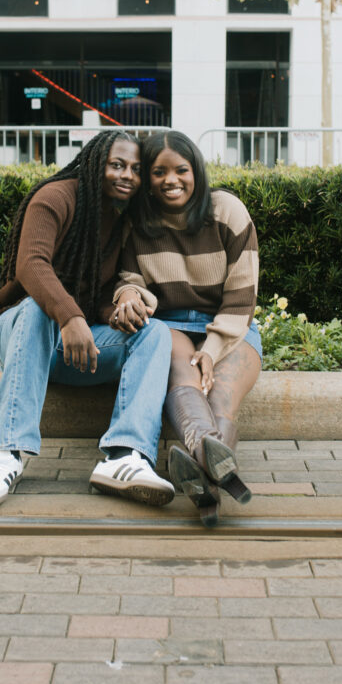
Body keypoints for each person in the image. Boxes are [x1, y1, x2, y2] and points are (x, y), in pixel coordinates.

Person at [0, 130, 175, 510]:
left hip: (72, 350)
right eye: (117, 165)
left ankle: (125, 456)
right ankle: (9, 454)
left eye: (135, 169)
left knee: (155, 332)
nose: (127, 175)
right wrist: (70, 317)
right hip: (21, 338)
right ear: (96, 163)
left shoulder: (117, 220)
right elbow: (31, 265)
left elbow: (99, 292)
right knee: (36, 308)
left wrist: (116, 313)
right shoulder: (55, 197)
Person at [111, 130, 261, 527]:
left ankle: (203, 477)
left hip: (231, 325)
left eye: (181, 170)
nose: (171, 180)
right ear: (147, 179)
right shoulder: (138, 222)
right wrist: (129, 295)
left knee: (221, 399)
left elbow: (242, 293)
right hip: (170, 324)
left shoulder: (227, 210)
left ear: (196, 171)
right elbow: (130, 280)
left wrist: (211, 350)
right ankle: (214, 466)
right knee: (183, 374)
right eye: (159, 172)